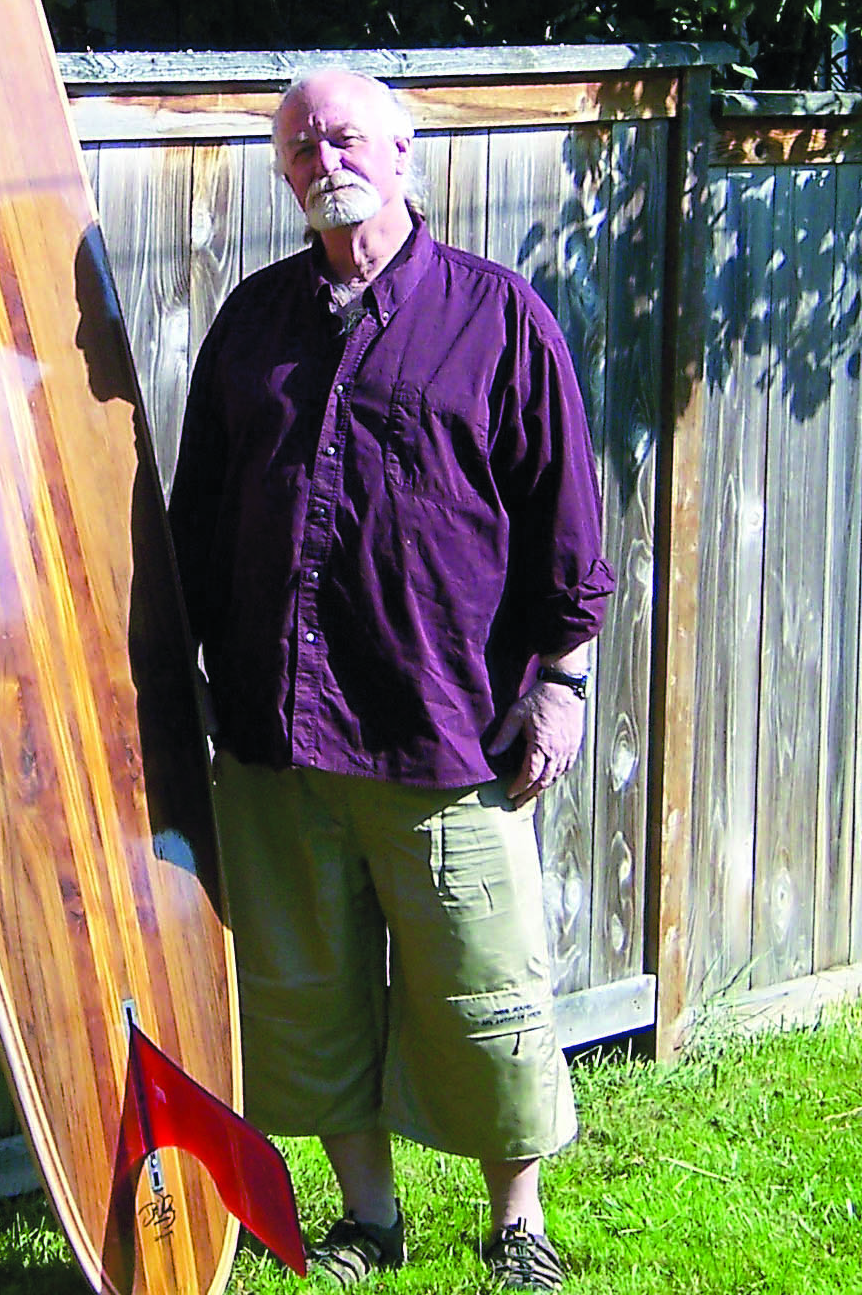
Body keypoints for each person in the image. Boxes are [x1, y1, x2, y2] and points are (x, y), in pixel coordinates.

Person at [165, 68, 612, 1292]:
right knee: (308, 995)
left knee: (483, 988)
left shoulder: (498, 316)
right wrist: (187, 675)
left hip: (440, 730)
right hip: (275, 734)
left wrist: (562, 686)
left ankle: (516, 1222)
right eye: (299, 142)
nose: (322, 156)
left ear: (406, 150)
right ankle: (369, 1217)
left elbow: (567, 527)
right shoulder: (253, 324)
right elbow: (197, 515)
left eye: (345, 134)